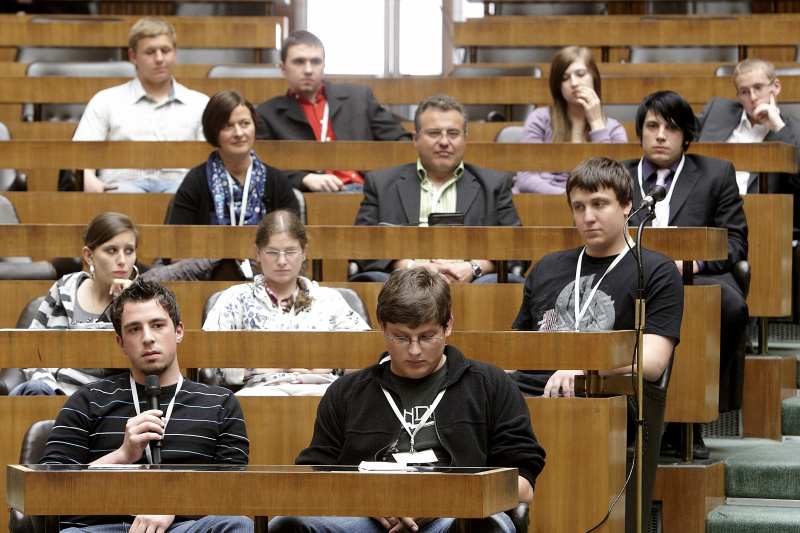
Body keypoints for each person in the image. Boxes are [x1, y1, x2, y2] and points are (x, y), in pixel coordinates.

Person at [268, 267, 546, 533]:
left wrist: (446, 499)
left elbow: (523, 484)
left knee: (484, 525)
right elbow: (311, 476)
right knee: (286, 523)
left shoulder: (490, 383)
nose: (414, 350)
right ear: (381, 327)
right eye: (400, 337)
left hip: (456, 516)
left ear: (448, 325)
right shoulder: (346, 392)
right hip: (364, 517)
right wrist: (365, 499)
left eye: (427, 337)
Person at [511, 157, 683, 533]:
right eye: (578, 206)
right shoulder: (547, 267)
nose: (587, 216)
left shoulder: (654, 270)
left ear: (626, 206)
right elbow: (517, 350)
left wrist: (585, 368)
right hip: (531, 392)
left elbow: (652, 363)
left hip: (603, 396)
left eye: (599, 204)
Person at [39, 280, 252, 533]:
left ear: (179, 331)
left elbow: (232, 489)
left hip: (183, 526)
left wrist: (172, 506)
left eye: (158, 325)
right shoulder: (88, 399)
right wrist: (121, 456)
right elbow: (47, 487)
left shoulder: (220, 403)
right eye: (134, 329)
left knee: (238, 524)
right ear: (120, 343)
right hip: (101, 527)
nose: (148, 338)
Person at [622, 90, 749, 459]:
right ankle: (628, 417)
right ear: (640, 132)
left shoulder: (716, 173)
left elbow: (736, 241)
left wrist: (692, 264)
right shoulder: (617, 174)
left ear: (687, 137)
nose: (661, 135)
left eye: (671, 128)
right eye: (652, 126)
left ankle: (688, 420)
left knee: (728, 305)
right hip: (630, 273)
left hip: (694, 276)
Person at [350, 93, 528, 284]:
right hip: (403, 287)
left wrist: (474, 267)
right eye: (434, 133)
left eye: (453, 133)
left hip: (474, 286)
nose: (444, 141)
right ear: (416, 138)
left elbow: (518, 249)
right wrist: (411, 267)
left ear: (465, 138)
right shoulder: (382, 183)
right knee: (373, 280)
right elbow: (362, 244)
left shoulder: (493, 184)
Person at [203, 209, 370, 395]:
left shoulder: (329, 299)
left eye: (291, 251)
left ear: (304, 252)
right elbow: (208, 358)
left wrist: (331, 366)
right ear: (258, 253)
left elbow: (364, 355)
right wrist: (259, 369)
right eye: (272, 252)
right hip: (260, 390)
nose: (282, 261)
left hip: (322, 389)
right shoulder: (236, 298)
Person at [142, 90, 299, 283]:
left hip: (269, 279)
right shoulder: (196, 180)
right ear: (213, 132)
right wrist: (225, 252)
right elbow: (174, 253)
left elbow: (296, 244)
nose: (239, 133)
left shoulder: (276, 180)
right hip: (206, 281)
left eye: (245, 124)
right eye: (227, 126)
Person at [256, 30, 412, 193]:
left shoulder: (359, 98)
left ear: (324, 66)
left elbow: (401, 143)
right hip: (316, 197)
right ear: (283, 68)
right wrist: (302, 178)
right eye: (299, 62)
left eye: (315, 61)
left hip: (369, 191)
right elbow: (260, 165)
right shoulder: (268, 113)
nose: (308, 69)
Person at [73, 16, 210, 193]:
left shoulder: (199, 103)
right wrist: (89, 179)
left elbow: (210, 160)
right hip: (121, 186)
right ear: (133, 56)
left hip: (180, 188)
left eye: (165, 50)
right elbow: (78, 153)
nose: (159, 58)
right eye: (150, 52)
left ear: (175, 52)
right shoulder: (106, 100)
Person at [11, 212, 140, 396]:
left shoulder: (141, 301)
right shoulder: (64, 288)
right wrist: (51, 390)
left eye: (129, 251)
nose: (122, 260)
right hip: (48, 394)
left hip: (104, 402)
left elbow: (144, 365)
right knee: (32, 389)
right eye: (111, 250)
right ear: (89, 256)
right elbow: (31, 351)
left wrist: (130, 302)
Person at [696, 57, 800, 225]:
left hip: (759, 219)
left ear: (776, 87)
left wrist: (778, 127)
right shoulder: (717, 111)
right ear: (738, 96)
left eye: (758, 88)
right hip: (706, 212)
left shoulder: (792, 132)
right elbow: (680, 133)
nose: (753, 97)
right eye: (744, 91)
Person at [512, 46, 627, 194]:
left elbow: (615, 182)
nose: (574, 83)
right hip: (542, 202)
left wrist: (597, 124)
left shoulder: (614, 129)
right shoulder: (540, 119)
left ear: (594, 77)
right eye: (565, 78)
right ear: (558, 86)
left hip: (592, 207)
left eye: (580, 74)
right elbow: (525, 177)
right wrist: (567, 198)